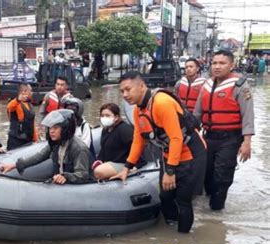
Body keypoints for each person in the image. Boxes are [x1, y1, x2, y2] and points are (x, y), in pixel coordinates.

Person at [112, 71, 207, 233]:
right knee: (165, 196)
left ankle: (183, 240)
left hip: (191, 153)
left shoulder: (162, 103)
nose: (125, 95)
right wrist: (127, 167)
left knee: (183, 199)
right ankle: (171, 230)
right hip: (169, 154)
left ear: (141, 86)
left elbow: (177, 138)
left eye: (128, 89)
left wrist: (170, 171)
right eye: (122, 91)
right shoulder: (138, 110)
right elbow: (138, 139)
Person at [194, 50, 254, 211]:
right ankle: (206, 208)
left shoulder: (240, 85)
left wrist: (247, 142)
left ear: (231, 65)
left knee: (222, 177)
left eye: (222, 63)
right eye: (214, 63)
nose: (217, 67)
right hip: (209, 137)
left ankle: (216, 213)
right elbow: (197, 114)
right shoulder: (206, 85)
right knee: (206, 174)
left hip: (230, 139)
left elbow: (248, 116)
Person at [0, 109, 92, 185]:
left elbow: (82, 175)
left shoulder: (78, 148)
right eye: (50, 128)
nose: (51, 131)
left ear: (65, 129)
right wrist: (14, 165)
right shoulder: (56, 143)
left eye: (55, 128)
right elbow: (39, 156)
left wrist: (65, 176)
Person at [92, 103, 135, 180]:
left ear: (116, 117)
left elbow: (134, 147)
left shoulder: (124, 129)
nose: (104, 118)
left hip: (124, 163)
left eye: (107, 115)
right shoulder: (106, 130)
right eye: (102, 115)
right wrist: (99, 160)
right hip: (111, 162)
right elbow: (103, 148)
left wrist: (130, 165)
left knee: (99, 171)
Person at [6, 83, 38, 150]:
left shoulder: (30, 105)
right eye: (30, 91)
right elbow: (10, 107)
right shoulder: (15, 103)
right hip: (16, 141)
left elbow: (32, 123)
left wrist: (35, 138)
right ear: (24, 92)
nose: (32, 93)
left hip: (28, 139)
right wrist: (18, 99)